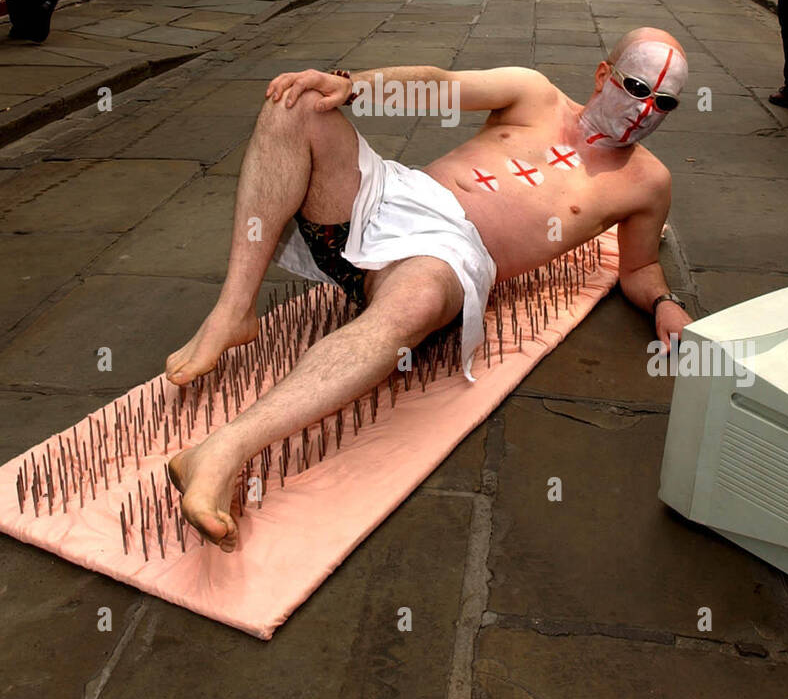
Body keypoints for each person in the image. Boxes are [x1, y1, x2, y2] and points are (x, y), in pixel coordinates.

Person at [165, 28, 691, 549]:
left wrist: (664, 304)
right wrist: (351, 85)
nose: (645, 110)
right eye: (636, 89)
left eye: (663, 102)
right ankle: (233, 311)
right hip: (391, 193)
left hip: (449, 254)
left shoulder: (648, 182)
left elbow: (638, 267)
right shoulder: (535, 93)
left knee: (417, 299)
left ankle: (223, 449)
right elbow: (438, 86)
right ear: (604, 74)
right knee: (295, 102)